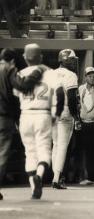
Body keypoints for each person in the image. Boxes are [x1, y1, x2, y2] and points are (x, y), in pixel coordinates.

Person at [14, 44, 64, 199]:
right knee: (44, 150)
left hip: (25, 114)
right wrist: (57, 113)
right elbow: (61, 94)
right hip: (43, 113)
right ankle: (40, 176)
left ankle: (32, 185)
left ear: (24, 57)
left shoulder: (20, 73)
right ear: (40, 57)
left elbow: (14, 98)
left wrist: (16, 118)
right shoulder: (49, 73)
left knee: (29, 152)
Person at [0, 47, 46, 200]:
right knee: (2, 153)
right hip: (3, 117)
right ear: (12, 60)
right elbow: (22, 86)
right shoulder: (9, 69)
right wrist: (38, 71)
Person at [51, 49, 81, 189]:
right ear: (64, 60)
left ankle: (55, 177)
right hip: (64, 110)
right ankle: (57, 179)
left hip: (51, 111)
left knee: (56, 145)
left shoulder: (51, 73)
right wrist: (76, 117)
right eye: (71, 59)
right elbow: (72, 98)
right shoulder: (71, 75)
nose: (74, 61)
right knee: (62, 145)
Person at [78, 66, 94, 184]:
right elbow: (78, 104)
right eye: (89, 76)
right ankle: (91, 178)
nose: (92, 78)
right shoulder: (81, 89)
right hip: (84, 124)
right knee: (88, 152)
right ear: (86, 77)